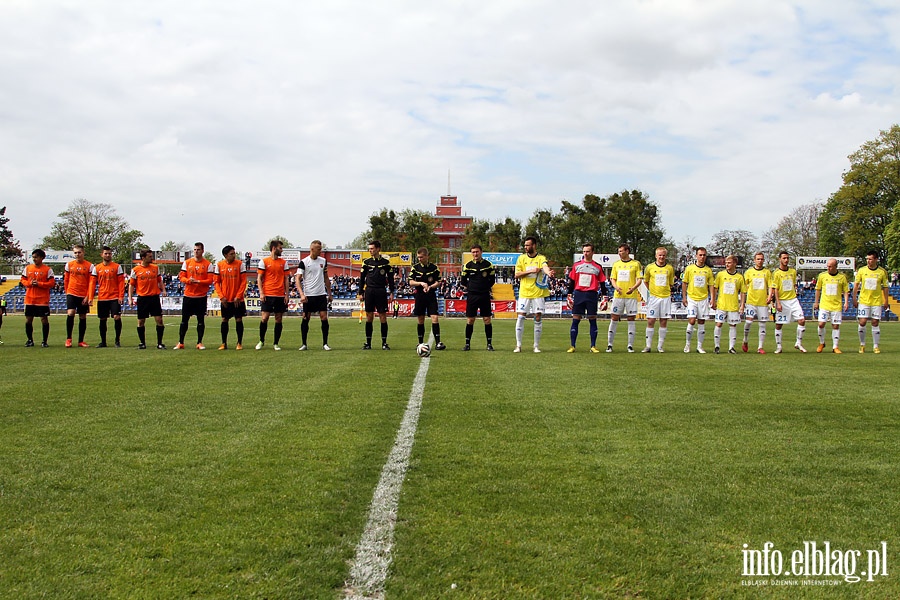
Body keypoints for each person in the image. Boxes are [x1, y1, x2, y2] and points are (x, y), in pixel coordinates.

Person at [566, 242, 609, 353]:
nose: (585, 253)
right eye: (584, 251)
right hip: (579, 294)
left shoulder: (598, 267)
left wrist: (605, 297)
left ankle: (593, 346)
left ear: (592, 252)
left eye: (588, 251)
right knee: (575, 319)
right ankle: (572, 346)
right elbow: (572, 281)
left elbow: (603, 283)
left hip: (591, 295)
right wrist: (569, 295)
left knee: (592, 320)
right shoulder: (576, 265)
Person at [514, 235, 553, 353]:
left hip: (538, 292)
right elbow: (516, 274)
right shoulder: (521, 258)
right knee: (521, 317)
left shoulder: (541, 258)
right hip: (525, 292)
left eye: (528, 245)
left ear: (534, 246)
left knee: (538, 317)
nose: (525, 247)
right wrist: (531, 270)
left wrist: (549, 272)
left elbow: (545, 267)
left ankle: (536, 346)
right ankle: (518, 345)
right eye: (525, 245)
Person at [174, 242, 215, 350]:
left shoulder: (208, 264)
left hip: (201, 297)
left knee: (200, 321)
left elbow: (210, 280)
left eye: (198, 250)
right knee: (184, 321)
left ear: (203, 251)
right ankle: (180, 342)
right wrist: (188, 281)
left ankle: (199, 342)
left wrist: (198, 282)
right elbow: (181, 277)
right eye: (195, 249)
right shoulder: (187, 263)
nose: (196, 251)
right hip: (188, 296)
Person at [296, 239, 333, 351]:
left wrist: (329, 293)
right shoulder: (304, 262)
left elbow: (326, 278)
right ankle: (304, 344)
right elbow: (297, 279)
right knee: (306, 318)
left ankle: (325, 343)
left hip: (321, 294)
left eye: (321, 249)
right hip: (309, 295)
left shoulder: (323, 261)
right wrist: (302, 294)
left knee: (324, 317)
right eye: (318, 249)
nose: (320, 251)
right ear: (312, 249)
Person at [358, 240, 395, 349]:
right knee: (369, 317)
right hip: (369, 291)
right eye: (369, 249)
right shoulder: (366, 262)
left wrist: (392, 291)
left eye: (372, 248)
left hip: (381, 291)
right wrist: (361, 292)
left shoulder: (386, 262)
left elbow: (391, 278)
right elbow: (361, 279)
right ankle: (368, 343)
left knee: (383, 316)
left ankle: (384, 343)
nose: (370, 250)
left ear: (378, 249)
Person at [256, 239, 291, 351]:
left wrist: (287, 294)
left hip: (280, 295)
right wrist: (261, 292)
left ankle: (276, 343)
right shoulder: (264, 261)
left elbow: (286, 279)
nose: (282, 250)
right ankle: (261, 340)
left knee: (278, 319)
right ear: (274, 248)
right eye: (280, 248)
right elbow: (259, 278)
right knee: (264, 318)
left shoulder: (283, 263)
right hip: (268, 294)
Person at [128, 248, 167, 349]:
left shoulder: (155, 268)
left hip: (154, 297)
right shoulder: (135, 270)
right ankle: (142, 343)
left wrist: (163, 290)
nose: (151, 258)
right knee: (141, 321)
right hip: (142, 298)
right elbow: (131, 285)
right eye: (149, 256)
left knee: (159, 320)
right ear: (143, 258)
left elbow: (160, 280)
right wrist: (130, 298)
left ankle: (159, 343)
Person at [607, 243, 642, 352]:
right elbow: (612, 279)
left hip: (631, 295)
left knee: (631, 318)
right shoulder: (616, 264)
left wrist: (633, 288)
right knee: (614, 318)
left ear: (627, 251)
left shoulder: (636, 264)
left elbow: (639, 278)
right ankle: (609, 344)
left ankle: (630, 345)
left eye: (621, 251)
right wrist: (616, 287)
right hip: (618, 296)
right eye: (619, 251)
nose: (620, 253)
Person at [88, 245, 126, 347]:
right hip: (102, 297)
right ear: (102, 255)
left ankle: (117, 341)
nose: (108, 255)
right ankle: (103, 342)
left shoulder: (117, 267)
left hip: (114, 297)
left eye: (109, 253)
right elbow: (92, 283)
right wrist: (90, 297)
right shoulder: (97, 268)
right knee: (102, 319)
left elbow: (121, 283)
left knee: (117, 317)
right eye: (106, 253)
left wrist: (121, 296)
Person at [409, 247, 446, 350]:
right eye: (418, 257)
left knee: (435, 317)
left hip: (431, 295)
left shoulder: (434, 268)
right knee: (420, 318)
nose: (419, 259)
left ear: (426, 256)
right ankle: (420, 342)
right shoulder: (415, 268)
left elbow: (438, 282)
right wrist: (420, 283)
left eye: (421, 257)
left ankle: (438, 342)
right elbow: (410, 282)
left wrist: (430, 287)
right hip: (420, 295)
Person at [771, 250, 807, 353]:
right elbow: (775, 289)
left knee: (802, 320)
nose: (786, 260)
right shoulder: (776, 273)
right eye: (784, 258)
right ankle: (779, 346)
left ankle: (798, 343)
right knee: (779, 324)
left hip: (793, 299)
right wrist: (777, 302)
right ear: (780, 259)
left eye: (787, 258)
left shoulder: (793, 272)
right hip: (782, 300)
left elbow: (794, 284)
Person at [854, 250, 890, 353]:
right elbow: (856, 285)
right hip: (864, 301)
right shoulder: (862, 270)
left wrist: (886, 300)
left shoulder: (882, 272)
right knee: (862, 321)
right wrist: (854, 298)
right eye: (867, 259)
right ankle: (862, 344)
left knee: (875, 322)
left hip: (876, 301)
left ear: (875, 259)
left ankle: (875, 346)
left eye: (870, 259)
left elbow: (885, 287)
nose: (868, 261)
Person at [460, 244, 495, 351]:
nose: (475, 254)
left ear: (481, 252)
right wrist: (472, 288)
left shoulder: (488, 265)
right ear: (471, 253)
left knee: (487, 319)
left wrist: (484, 288)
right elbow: (463, 281)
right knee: (470, 320)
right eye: (473, 252)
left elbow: (492, 280)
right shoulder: (467, 266)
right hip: (472, 296)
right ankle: (467, 344)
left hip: (484, 295)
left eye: (477, 252)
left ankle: (489, 344)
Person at [214, 245, 248, 350]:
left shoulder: (240, 264)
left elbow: (243, 281)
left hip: (237, 300)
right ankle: (224, 343)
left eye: (234, 253)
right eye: (231, 254)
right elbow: (216, 282)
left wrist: (238, 296)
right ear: (225, 255)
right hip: (225, 299)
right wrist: (221, 296)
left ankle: (239, 343)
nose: (234, 255)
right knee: (224, 319)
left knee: (238, 319)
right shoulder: (219, 265)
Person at [641, 246, 674, 353]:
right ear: (656, 256)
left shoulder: (669, 268)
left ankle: (660, 346)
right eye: (660, 255)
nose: (661, 257)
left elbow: (671, 283)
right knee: (651, 320)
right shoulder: (649, 267)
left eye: (663, 255)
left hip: (665, 298)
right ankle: (648, 346)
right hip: (654, 298)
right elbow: (646, 281)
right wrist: (652, 290)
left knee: (663, 321)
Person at [681, 247, 714, 353]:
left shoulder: (708, 270)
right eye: (700, 255)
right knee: (691, 320)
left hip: (703, 299)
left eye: (704, 255)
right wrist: (684, 297)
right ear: (696, 256)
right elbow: (684, 283)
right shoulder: (690, 269)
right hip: (692, 298)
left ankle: (699, 346)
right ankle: (687, 345)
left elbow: (711, 286)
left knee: (701, 322)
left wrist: (712, 299)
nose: (702, 257)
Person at [814, 258, 850, 353]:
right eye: (827, 266)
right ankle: (822, 343)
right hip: (824, 304)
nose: (828, 268)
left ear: (835, 266)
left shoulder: (842, 277)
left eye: (830, 266)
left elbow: (846, 291)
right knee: (821, 324)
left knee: (835, 326)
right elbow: (818, 289)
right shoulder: (822, 276)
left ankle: (835, 346)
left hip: (836, 305)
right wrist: (816, 302)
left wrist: (846, 302)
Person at [21, 249, 55, 347]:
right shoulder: (28, 268)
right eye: (33, 257)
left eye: (36, 257)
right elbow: (23, 280)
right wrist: (30, 283)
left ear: (41, 258)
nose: (34, 259)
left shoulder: (48, 270)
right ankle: (30, 340)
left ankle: (44, 341)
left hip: (42, 300)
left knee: (44, 319)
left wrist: (39, 284)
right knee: (28, 320)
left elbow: (52, 283)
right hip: (30, 299)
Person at [712, 255, 745, 354]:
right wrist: (713, 300)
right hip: (721, 305)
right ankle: (717, 346)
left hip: (733, 306)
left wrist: (742, 305)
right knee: (718, 324)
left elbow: (743, 292)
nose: (727, 264)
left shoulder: (739, 277)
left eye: (729, 262)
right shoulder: (720, 275)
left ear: (735, 263)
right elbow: (715, 288)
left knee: (733, 325)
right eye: (726, 262)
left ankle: (731, 347)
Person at [741, 251, 772, 354]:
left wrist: (769, 296)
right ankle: (745, 340)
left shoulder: (767, 272)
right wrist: (743, 301)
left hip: (762, 302)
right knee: (748, 322)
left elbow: (770, 285)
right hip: (751, 301)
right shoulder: (749, 272)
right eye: (758, 259)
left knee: (762, 324)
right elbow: (744, 287)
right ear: (754, 260)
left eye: (762, 259)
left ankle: (760, 347)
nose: (760, 261)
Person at [63, 244, 93, 348]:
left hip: (83, 294)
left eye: (79, 252)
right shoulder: (69, 265)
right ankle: (68, 339)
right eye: (75, 252)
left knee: (82, 316)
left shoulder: (89, 266)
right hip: (72, 292)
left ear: (83, 253)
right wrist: (67, 292)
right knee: (71, 313)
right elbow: (66, 279)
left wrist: (88, 296)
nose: (77, 254)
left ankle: (81, 340)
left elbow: (91, 282)